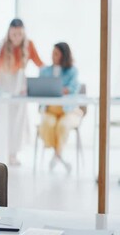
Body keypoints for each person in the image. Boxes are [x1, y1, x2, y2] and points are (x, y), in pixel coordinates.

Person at [0, 18, 44, 165]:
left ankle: (13, 154)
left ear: (23, 33)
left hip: (20, 89)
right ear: (9, 33)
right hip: (5, 87)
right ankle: (4, 152)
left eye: (19, 34)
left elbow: (40, 64)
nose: (17, 38)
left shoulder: (29, 45)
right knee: (5, 122)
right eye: (14, 34)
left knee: (17, 124)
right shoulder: (2, 46)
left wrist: (51, 76)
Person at [38, 42, 82, 172]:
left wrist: (59, 90)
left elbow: (73, 88)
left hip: (68, 111)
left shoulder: (73, 71)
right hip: (51, 110)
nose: (53, 56)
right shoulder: (44, 70)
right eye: (52, 53)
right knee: (48, 124)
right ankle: (59, 156)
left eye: (56, 53)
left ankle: (56, 156)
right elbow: (41, 87)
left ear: (64, 55)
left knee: (63, 126)